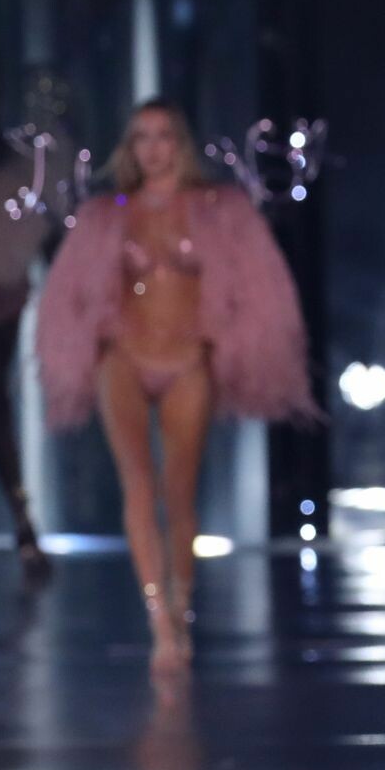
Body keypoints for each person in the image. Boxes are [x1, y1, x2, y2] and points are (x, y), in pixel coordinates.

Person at [35, 99, 316, 669]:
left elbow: (258, 287)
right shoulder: (109, 213)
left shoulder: (218, 209)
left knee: (179, 489)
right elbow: (73, 291)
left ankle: (181, 606)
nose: (153, 148)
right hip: (124, 356)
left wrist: (222, 340)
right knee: (138, 486)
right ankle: (159, 619)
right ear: (130, 146)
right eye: (142, 136)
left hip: (189, 358)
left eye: (163, 135)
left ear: (180, 143)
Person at [0, 54, 60, 579]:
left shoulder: (20, 164)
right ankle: (24, 528)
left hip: (6, 296)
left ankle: (26, 529)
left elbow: (39, 228)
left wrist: (18, 281)